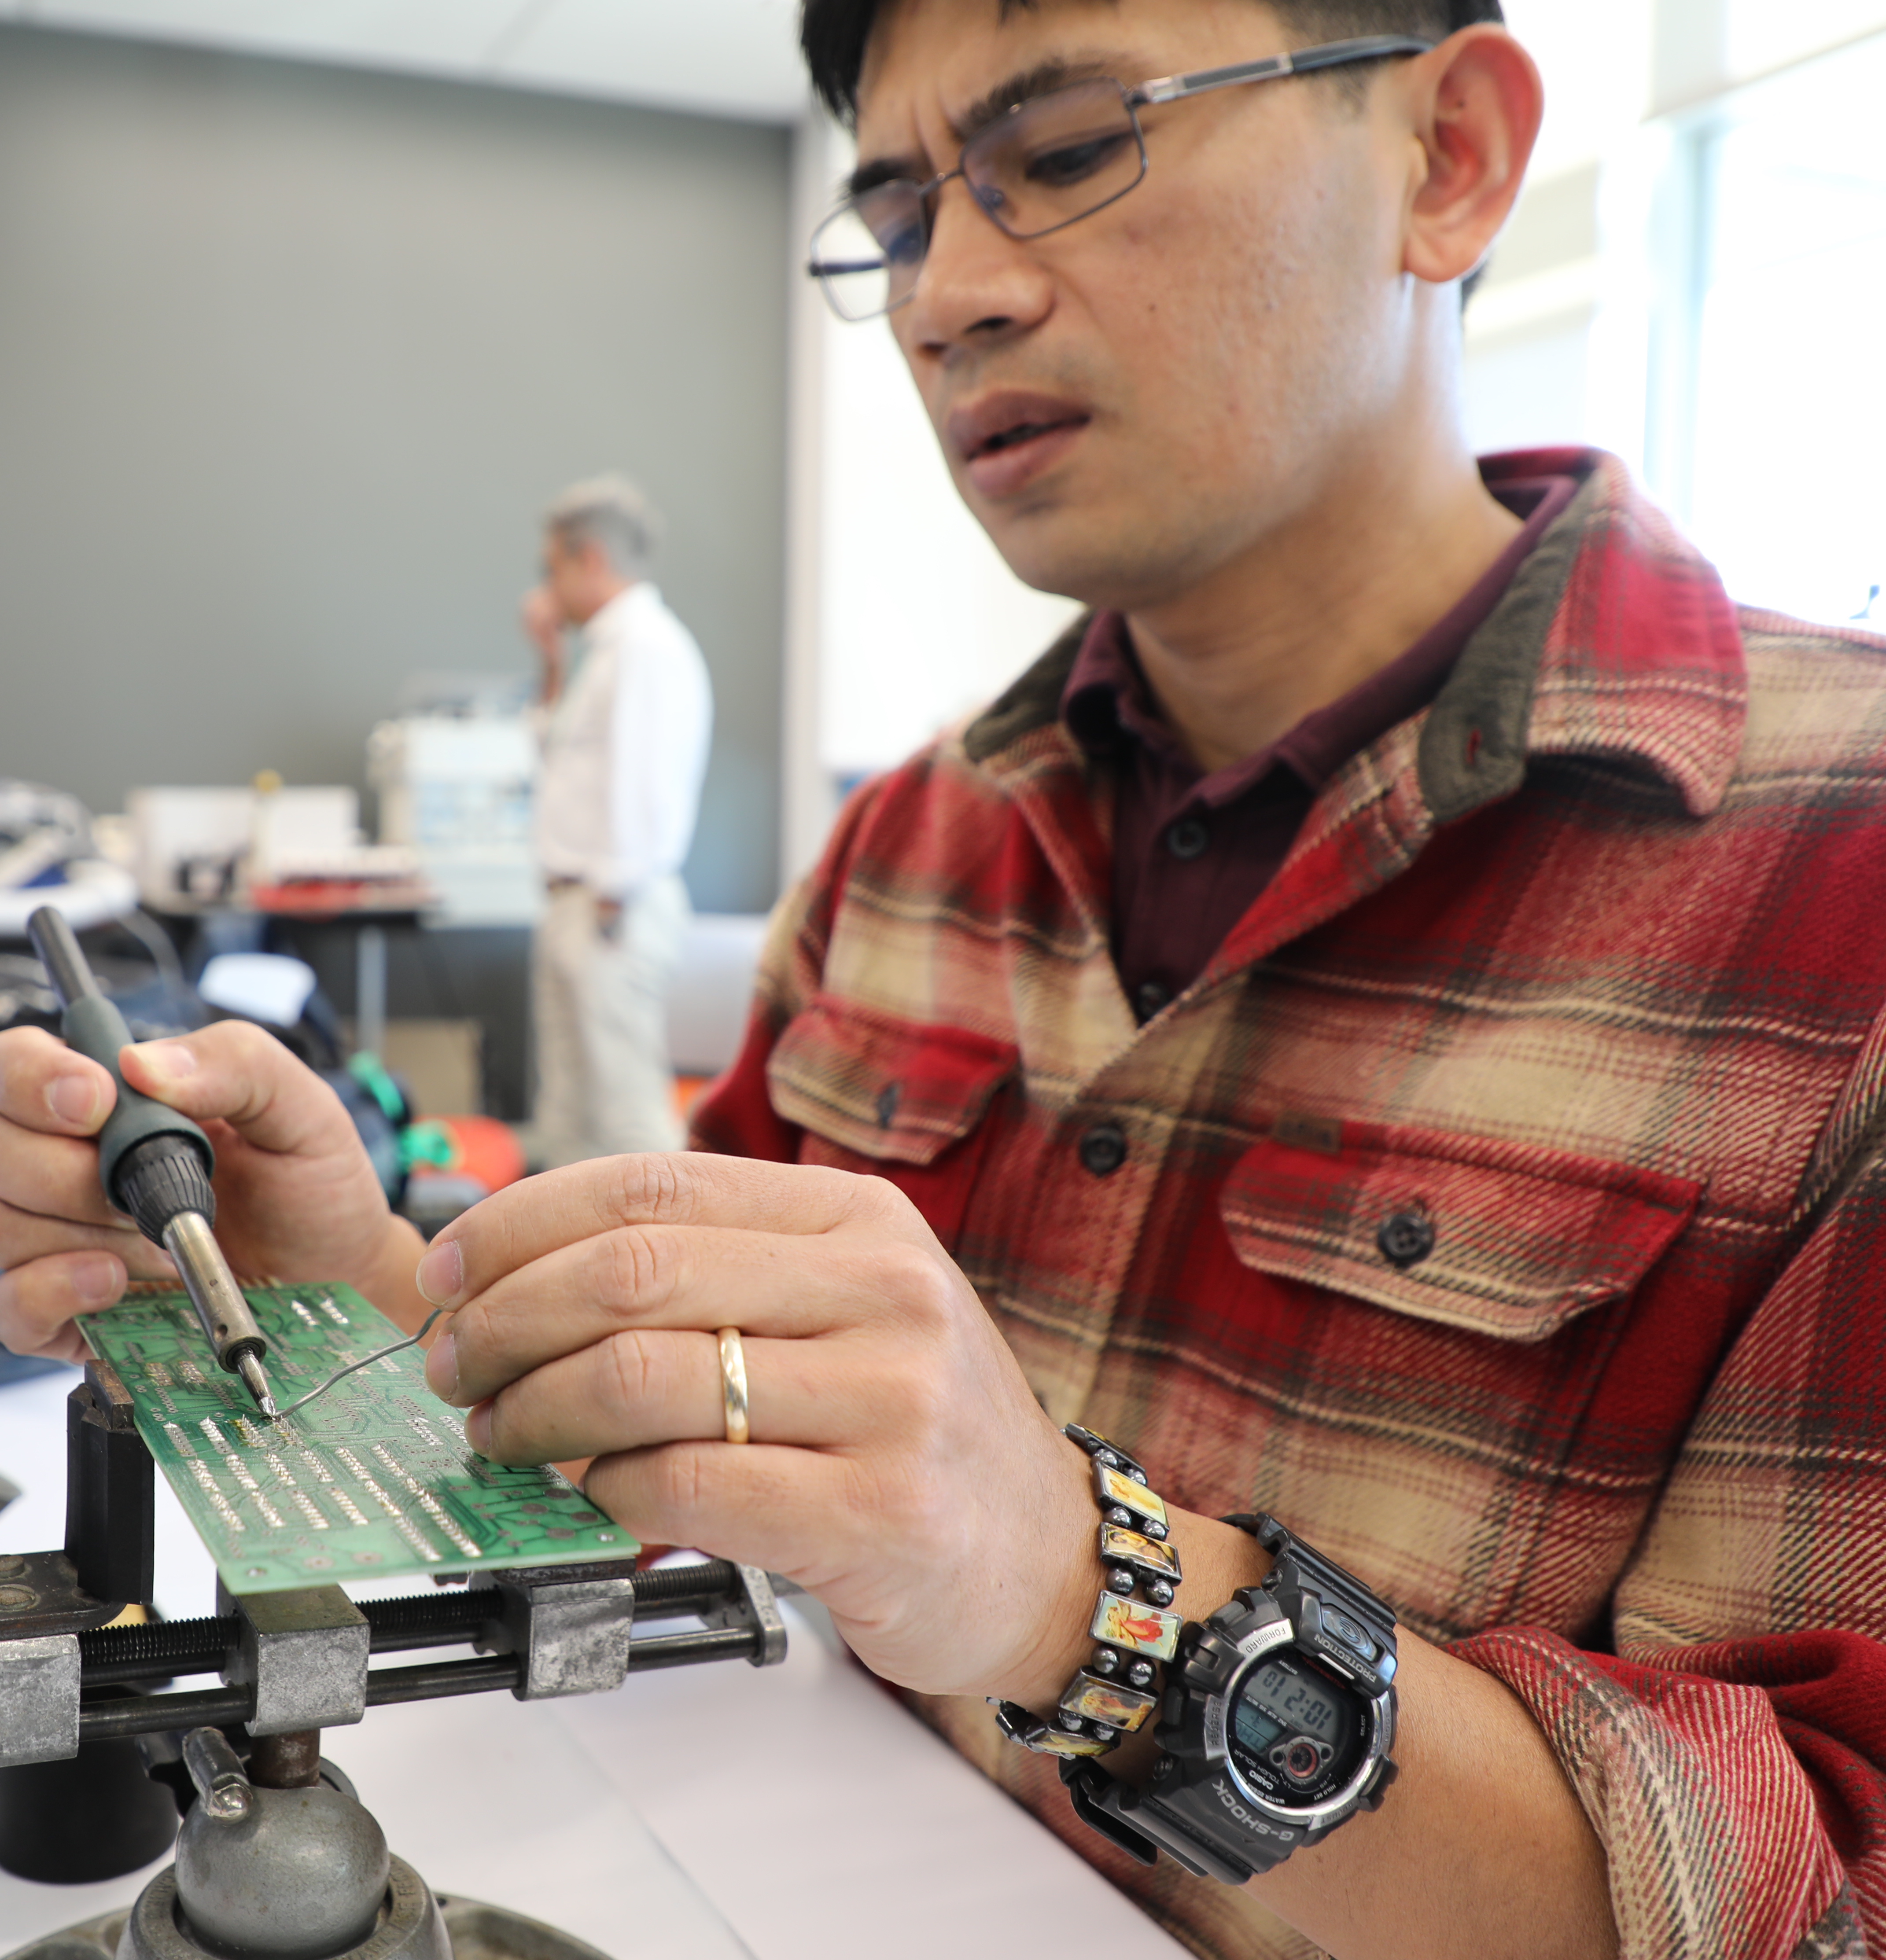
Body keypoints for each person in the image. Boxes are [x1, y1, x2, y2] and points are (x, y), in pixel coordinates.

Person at [3, 3, 1884, 1956]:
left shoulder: (1849, 884)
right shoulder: (919, 840)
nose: (950, 295)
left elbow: (1830, 1898)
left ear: (1453, 154)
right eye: (897, 213)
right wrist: (355, 1299)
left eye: (1069, 145)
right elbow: (702, 1457)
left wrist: (1084, 1589)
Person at [520, 473, 713, 1164]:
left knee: (630, 1121)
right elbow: (564, 757)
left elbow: (642, 787)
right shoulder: (605, 653)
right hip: (584, 904)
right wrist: (551, 661)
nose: (546, 585)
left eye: (552, 567)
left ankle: (673, 1265)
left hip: (612, 908)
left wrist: (607, 902)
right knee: (570, 1120)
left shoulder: (645, 650)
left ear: (589, 559)